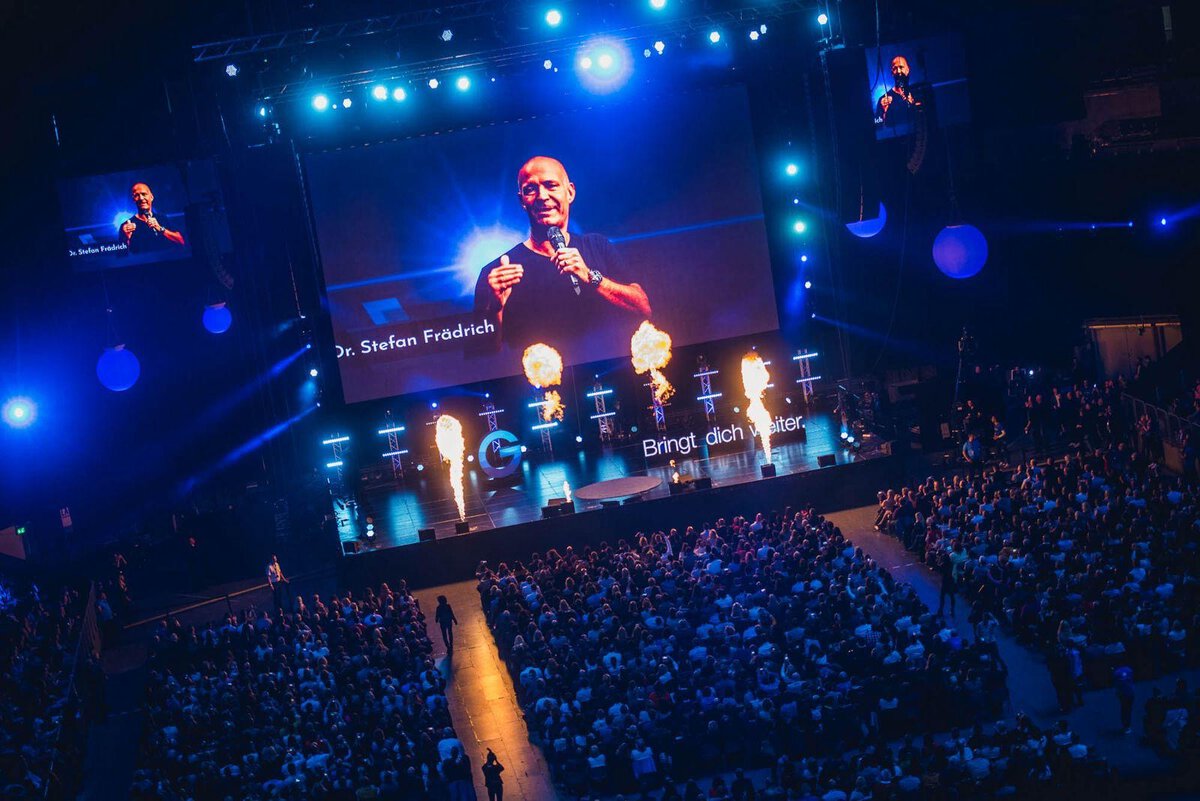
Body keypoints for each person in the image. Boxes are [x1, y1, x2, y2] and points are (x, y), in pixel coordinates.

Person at [473, 156, 651, 357]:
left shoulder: (597, 246)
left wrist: (590, 276)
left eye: (551, 185)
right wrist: (495, 309)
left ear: (570, 192)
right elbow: (482, 356)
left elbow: (643, 307)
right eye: (530, 189)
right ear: (522, 200)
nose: (542, 196)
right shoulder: (496, 273)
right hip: (540, 375)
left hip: (608, 368)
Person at [119, 182, 185, 253]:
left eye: (144, 194)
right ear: (133, 199)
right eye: (137, 195)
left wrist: (160, 228)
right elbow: (121, 255)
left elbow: (181, 241)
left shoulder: (163, 219)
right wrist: (127, 238)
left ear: (151, 197)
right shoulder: (126, 226)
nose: (141, 198)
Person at [874, 56, 924, 129]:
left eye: (901, 67)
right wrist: (885, 111)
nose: (898, 71)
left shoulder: (918, 93)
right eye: (895, 68)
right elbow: (879, 126)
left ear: (908, 69)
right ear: (892, 73)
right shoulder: (883, 100)